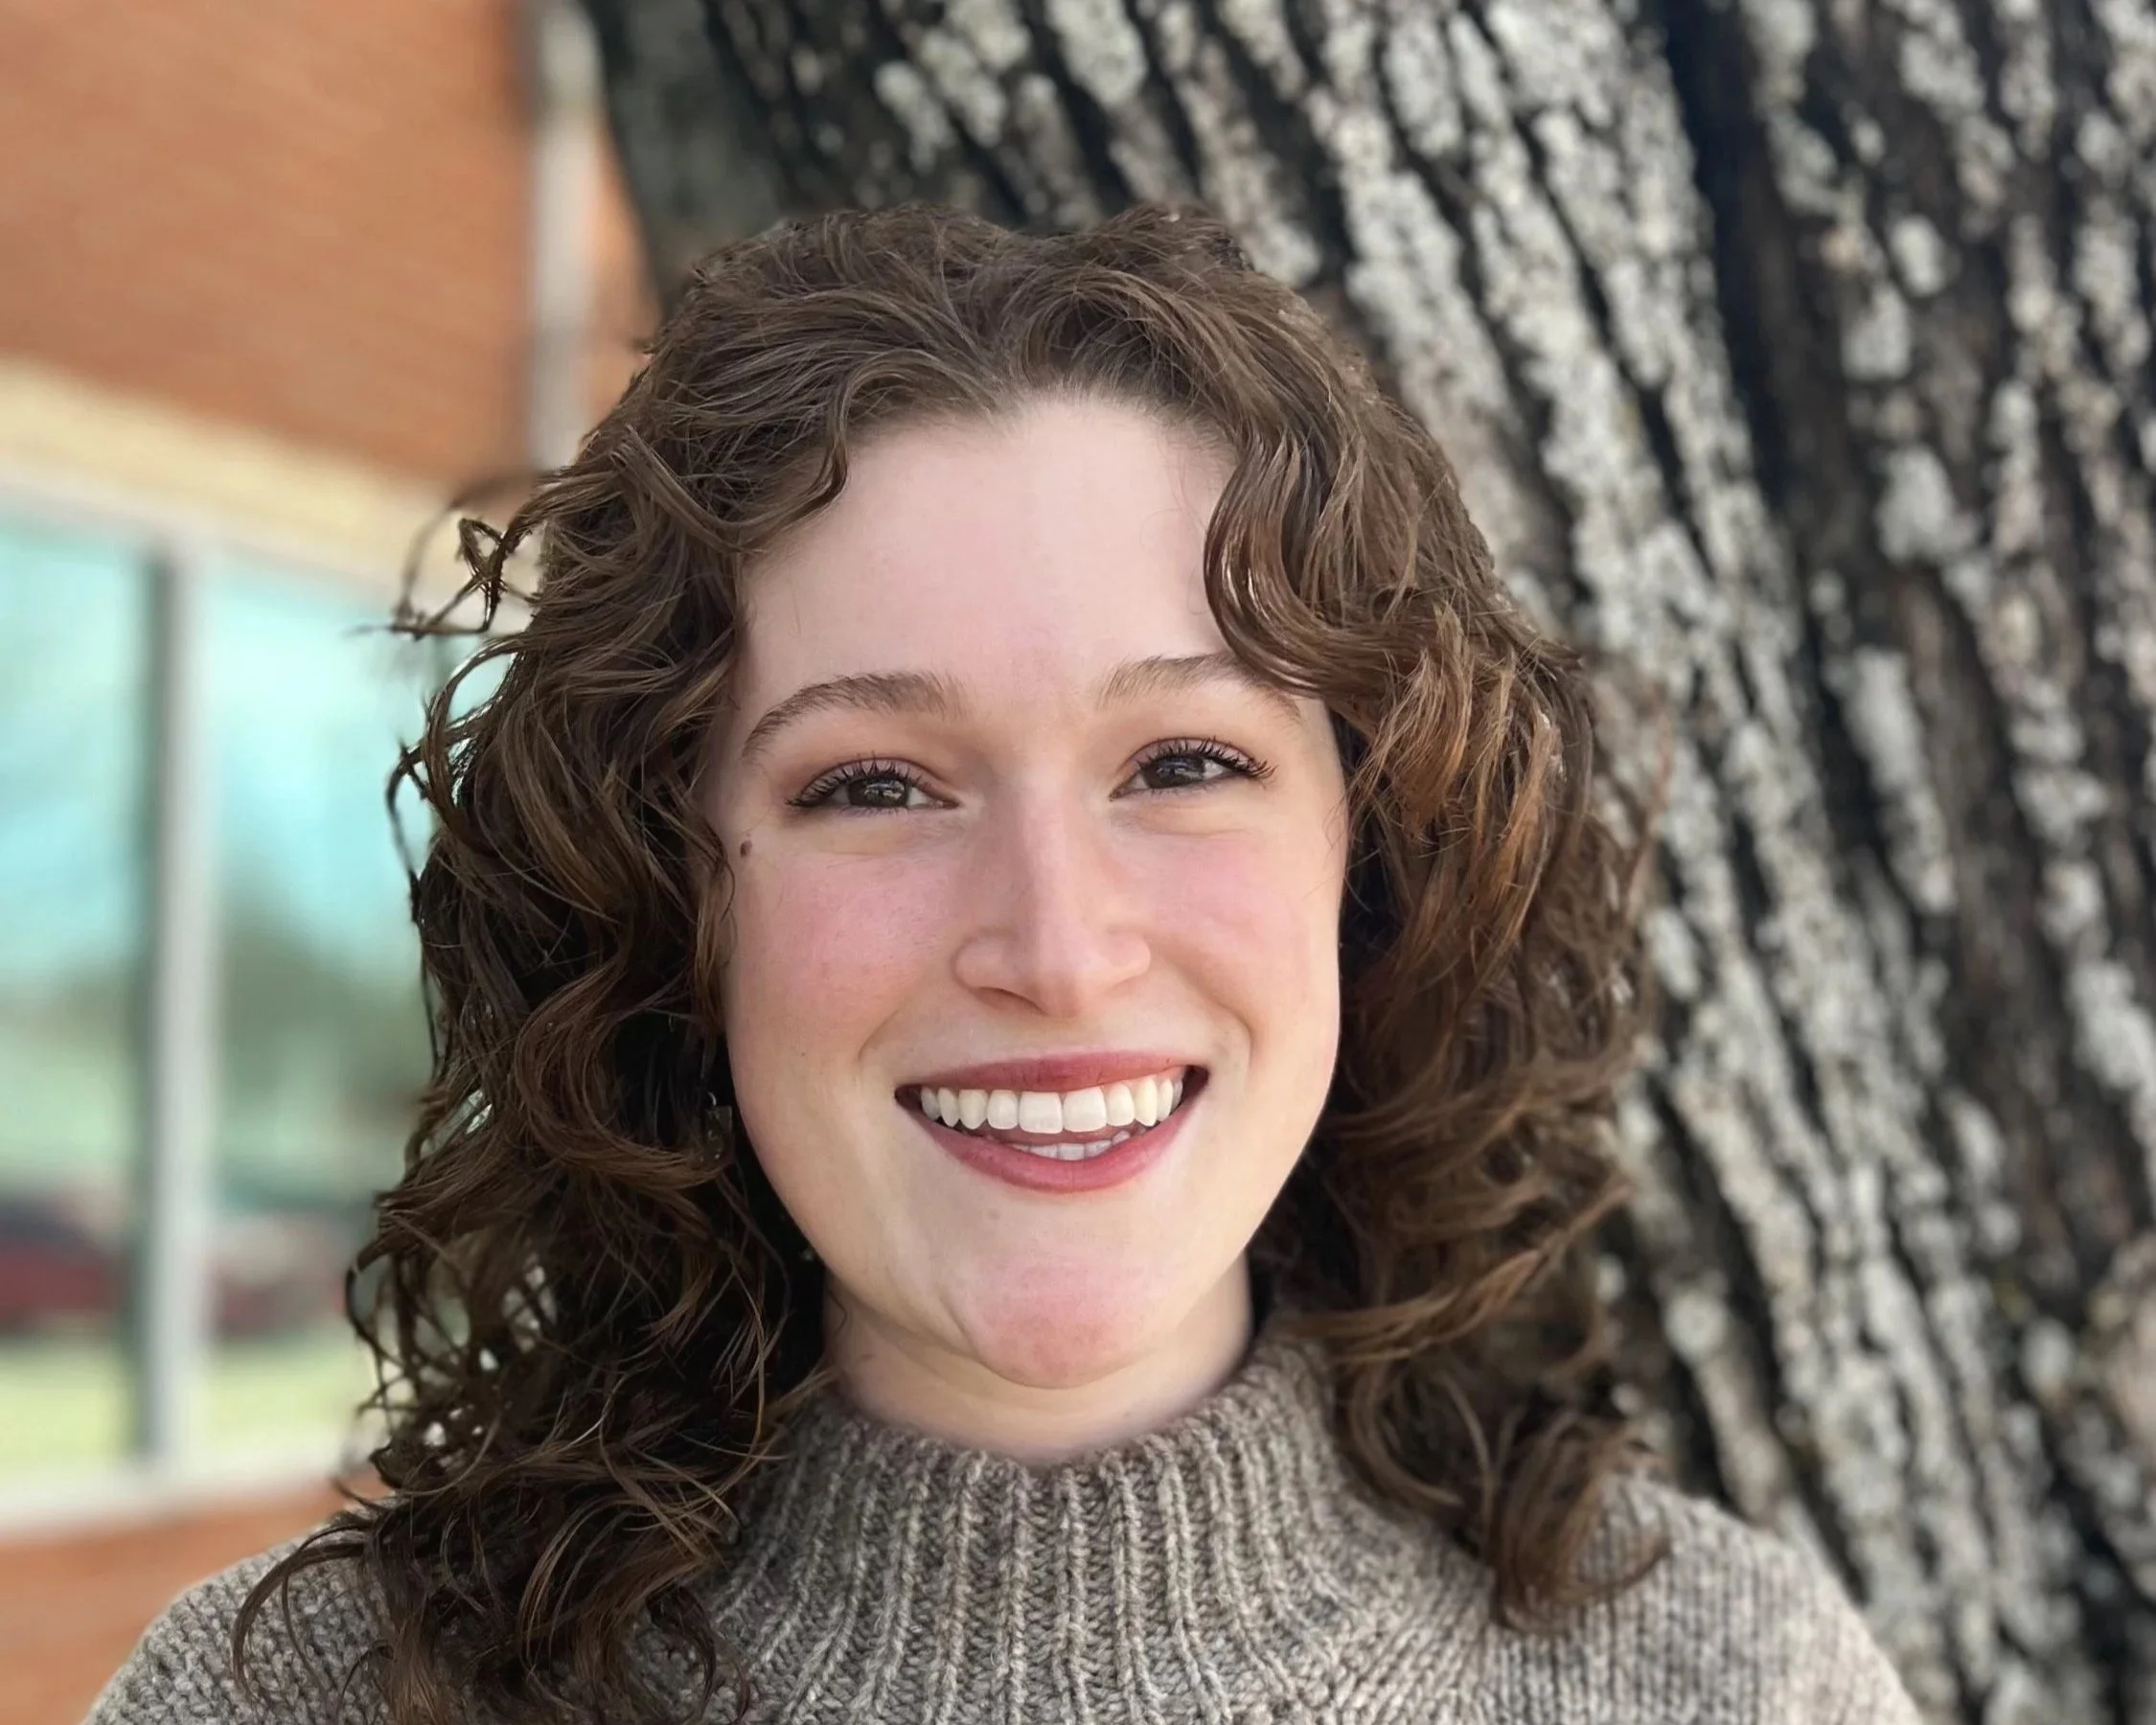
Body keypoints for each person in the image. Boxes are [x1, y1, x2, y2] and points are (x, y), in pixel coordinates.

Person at [88, 201, 1921, 1725]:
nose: (1056, 946)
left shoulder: (1723, 1681)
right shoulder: (299, 1702)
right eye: (874, 783)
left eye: (1185, 763)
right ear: (670, 908)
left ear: (1371, 861)